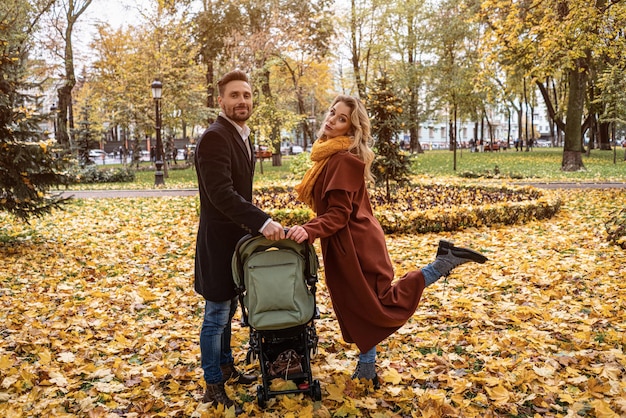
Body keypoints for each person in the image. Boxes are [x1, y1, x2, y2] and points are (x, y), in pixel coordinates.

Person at [286, 95, 487, 387]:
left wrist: (310, 229)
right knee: (361, 304)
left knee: (375, 304)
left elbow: (339, 214)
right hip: (347, 244)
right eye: (332, 113)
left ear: (352, 129)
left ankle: (442, 263)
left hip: (355, 245)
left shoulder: (343, 159)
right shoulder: (329, 156)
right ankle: (367, 367)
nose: (331, 119)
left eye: (341, 118)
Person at [193, 69, 285, 414]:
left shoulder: (242, 136)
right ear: (221, 101)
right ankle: (213, 383)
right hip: (219, 243)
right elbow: (221, 194)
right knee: (216, 314)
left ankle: (228, 367)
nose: (241, 101)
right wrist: (262, 221)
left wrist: (255, 223)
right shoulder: (215, 137)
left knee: (230, 308)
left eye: (246, 95)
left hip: (237, 243)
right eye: (234, 96)